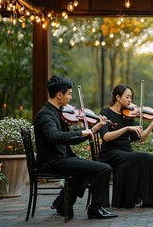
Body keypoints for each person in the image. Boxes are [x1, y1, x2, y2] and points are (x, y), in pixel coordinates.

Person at [34, 76, 118, 220]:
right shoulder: (46, 115)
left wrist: (93, 129)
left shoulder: (57, 112)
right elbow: (54, 136)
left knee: (84, 170)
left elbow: (68, 139)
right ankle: (95, 208)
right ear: (59, 95)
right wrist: (81, 132)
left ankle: (61, 203)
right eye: (69, 94)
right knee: (104, 168)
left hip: (61, 158)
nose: (71, 97)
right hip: (52, 162)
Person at [98, 84, 153, 208]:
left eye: (131, 98)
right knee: (143, 158)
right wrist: (126, 128)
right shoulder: (105, 112)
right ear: (118, 97)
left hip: (125, 153)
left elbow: (141, 138)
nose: (130, 100)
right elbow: (106, 137)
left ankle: (149, 200)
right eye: (127, 97)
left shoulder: (128, 114)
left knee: (151, 158)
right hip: (110, 153)